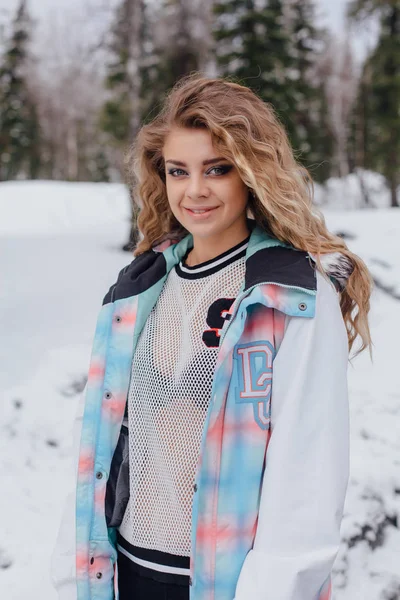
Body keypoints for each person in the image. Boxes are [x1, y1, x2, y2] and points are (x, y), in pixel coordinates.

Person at [51, 74, 373, 600]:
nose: (194, 190)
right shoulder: (138, 290)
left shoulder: (290, 295)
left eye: (217, 169)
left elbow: (307, 477)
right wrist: (75, 575)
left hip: (225, 586)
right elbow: (100, 447)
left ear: (251, 174)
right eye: (179, 171)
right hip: (125, 576)